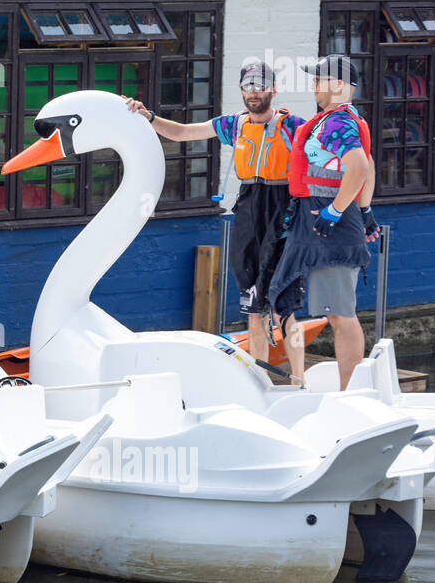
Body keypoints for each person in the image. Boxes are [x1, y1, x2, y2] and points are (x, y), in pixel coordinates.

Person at [128, 59, 307, 376]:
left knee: (285, 310)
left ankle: (300, 382)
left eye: (261, 85)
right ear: (241, 90)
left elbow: (324, 161)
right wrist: (149, 117)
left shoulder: (295, 127)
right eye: (248, 86)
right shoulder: (234, 125)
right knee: (253, 308)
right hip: (249, 214)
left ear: (274, 90)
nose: (254, 92)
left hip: (284, 216)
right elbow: (183, 133)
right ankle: (262, 381)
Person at [267, 55, 380, 391]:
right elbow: (369, 166)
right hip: (320, 223)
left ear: (339, 85)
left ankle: (350, 394)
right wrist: (365, 210)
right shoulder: (338, 120)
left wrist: (336, 211)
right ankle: (326, 386)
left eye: (319, 79)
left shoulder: (337, 123)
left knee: (340, 314)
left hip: (329, 227)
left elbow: (359, 167)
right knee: (315, 306)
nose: (314, 85)